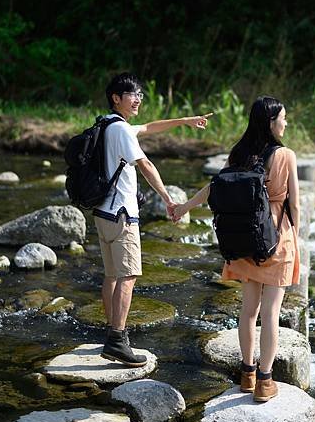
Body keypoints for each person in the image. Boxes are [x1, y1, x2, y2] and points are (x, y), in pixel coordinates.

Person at [172, 96, 300, 402]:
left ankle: (247, 374)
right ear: (271, 122)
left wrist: (184, 206)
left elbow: (216, 186)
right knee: (270, 312)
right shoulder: (286, 156)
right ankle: (266, 382)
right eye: (283, 118)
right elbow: (294, 204)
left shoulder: (241, 152)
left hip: (244, 238)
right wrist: (297, 238)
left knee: (248, 309)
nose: (286, 123)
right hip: (276, 239)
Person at [94, 72, 212, 367]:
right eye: (132, 95)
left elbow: (148, 127)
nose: (137, 100)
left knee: (111, 275)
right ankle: (118, 340)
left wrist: (185, 121)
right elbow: (145, 164)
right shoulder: (120, 129)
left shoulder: (107, 125)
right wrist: (169, 200)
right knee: (128, 276)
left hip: (103, 213)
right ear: (116, 98)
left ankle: (111, 335)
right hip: (122, 214)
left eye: (140, 95)